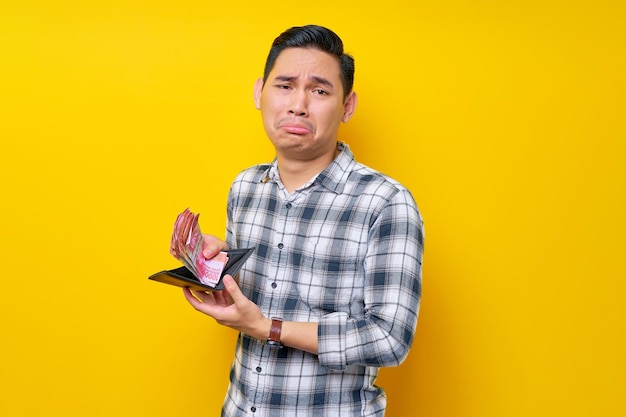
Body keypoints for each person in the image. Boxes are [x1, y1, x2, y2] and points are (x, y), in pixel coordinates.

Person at [183, 24, 424, 417]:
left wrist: (268, 328)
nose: (298, 104)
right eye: (285, 85)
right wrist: (214, 266)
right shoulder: (245, 188)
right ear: (260, 92)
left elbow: (390, 337)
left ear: (347, 106)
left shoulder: (385, 202)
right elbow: (252, 300)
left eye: (319, 90)